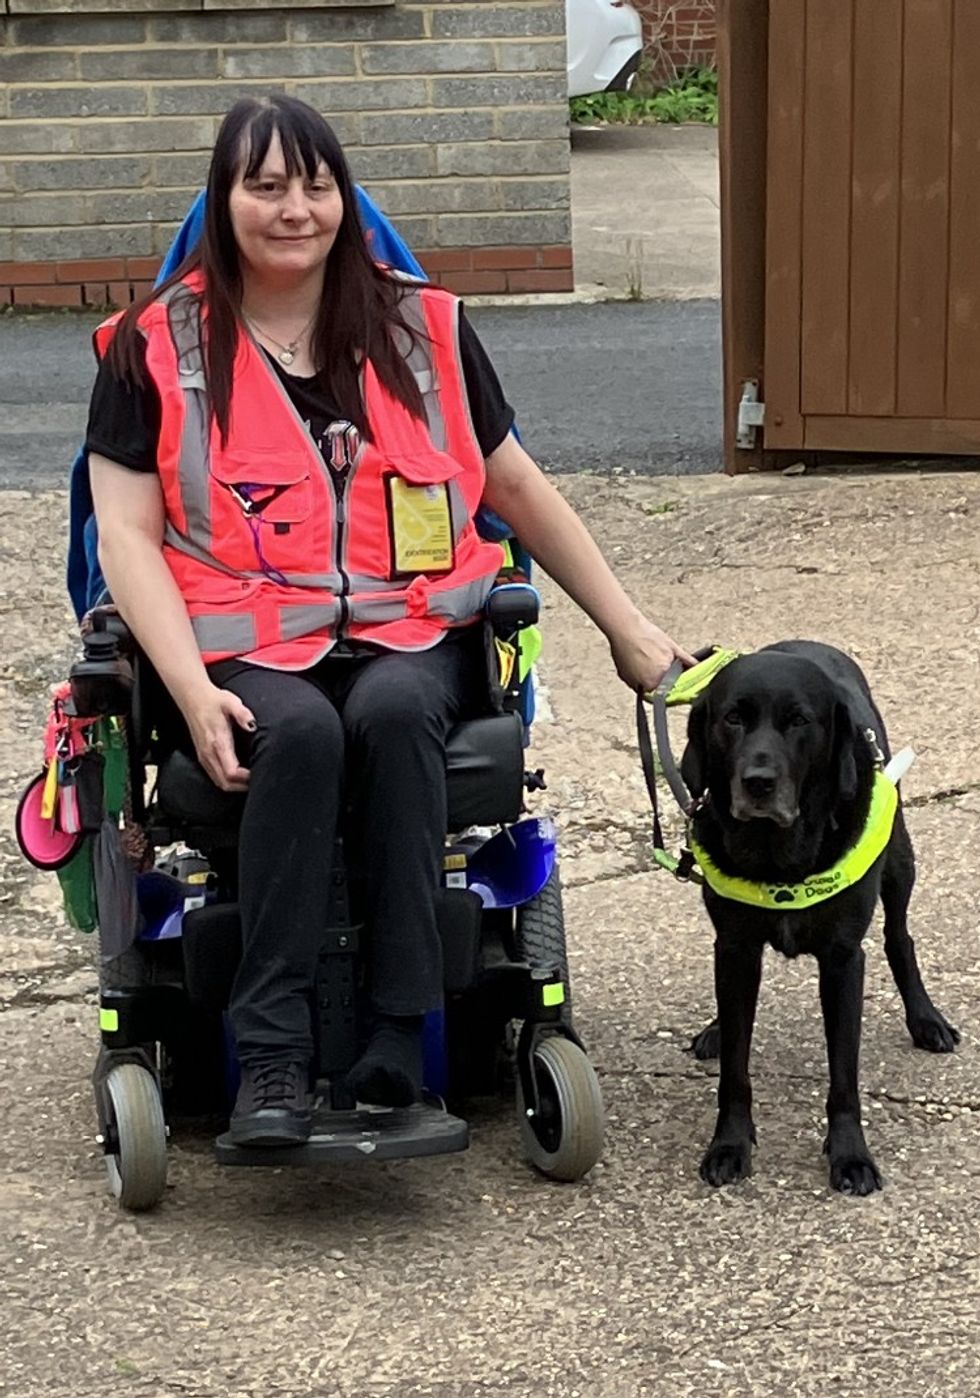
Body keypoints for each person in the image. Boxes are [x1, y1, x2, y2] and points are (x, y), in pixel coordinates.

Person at [86, 94, 693, 1148]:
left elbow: (515, 486)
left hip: (412, 637)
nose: (293, 208)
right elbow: (127, 540)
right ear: (221, 200)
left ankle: (396, 1043)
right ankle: (268, 1056)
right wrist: (187, 689)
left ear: (344, 198)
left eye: (314, 185)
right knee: (304, 732)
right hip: (240, 653)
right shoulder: (157, 347)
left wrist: (626, 629)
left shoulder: (425, 330)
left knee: (398, 711)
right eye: (264, 185)